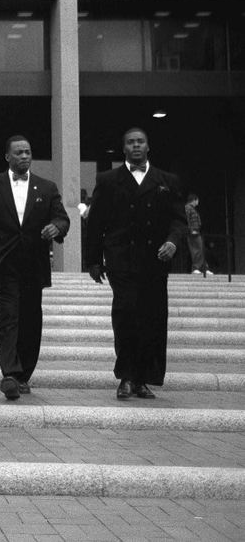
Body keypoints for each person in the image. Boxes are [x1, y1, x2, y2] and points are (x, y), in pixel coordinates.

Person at [85, 127, 186, 400]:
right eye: (130, 142)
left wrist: (173, 241)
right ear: (124, 149)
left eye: (140, 141)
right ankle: (126, 376)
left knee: (151, 319)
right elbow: (96, 224)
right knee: (126, 315)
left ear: (148, 146)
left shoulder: (167, 180)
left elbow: (178, 219)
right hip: (121, 260)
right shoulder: (108, 180)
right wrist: (93, 260)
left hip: (155, 260)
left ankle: (143, 378)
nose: (136, 146)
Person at [0, 135, 69, 399]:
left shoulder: (46, 188)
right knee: (9, 318)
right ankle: (10, 374)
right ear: (8, 157)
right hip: (5, 266)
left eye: (28, 152)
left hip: (34, 268)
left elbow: (62, 217)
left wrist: (56, 226)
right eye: (19, 152)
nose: (24, 156)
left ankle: (24, 375)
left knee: (31, 321)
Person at [185, 194, 213, 276]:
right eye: (197, 200)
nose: (198, 202)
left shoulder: (192, 208)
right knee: (196, 250)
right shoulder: (188, 208)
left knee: (201, 249)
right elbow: (186, 220)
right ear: (194, 200)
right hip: (192, 232)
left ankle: (205, 268)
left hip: (196, 231)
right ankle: (195, 268)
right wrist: (190, 230)